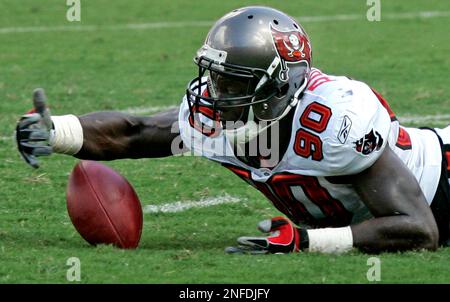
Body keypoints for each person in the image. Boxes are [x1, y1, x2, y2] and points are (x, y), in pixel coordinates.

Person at [16, 6, 450, 254]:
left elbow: (418, 229)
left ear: (280, 85)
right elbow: (134, 133)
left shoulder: (335, 122)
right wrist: (57, 132)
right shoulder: (225, 120)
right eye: (216, 77)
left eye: (234, 82)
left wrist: (306, 242)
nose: (217, 94)